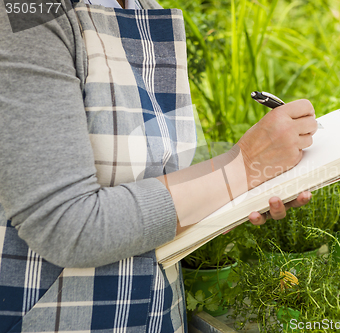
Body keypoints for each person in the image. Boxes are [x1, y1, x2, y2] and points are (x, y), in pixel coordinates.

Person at [0, 0, 317, 331]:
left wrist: (248, 189)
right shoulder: (25, 16)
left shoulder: (143, 7)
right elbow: (68, 226)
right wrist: (245, 166)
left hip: (159, 311)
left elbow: (154, 181)